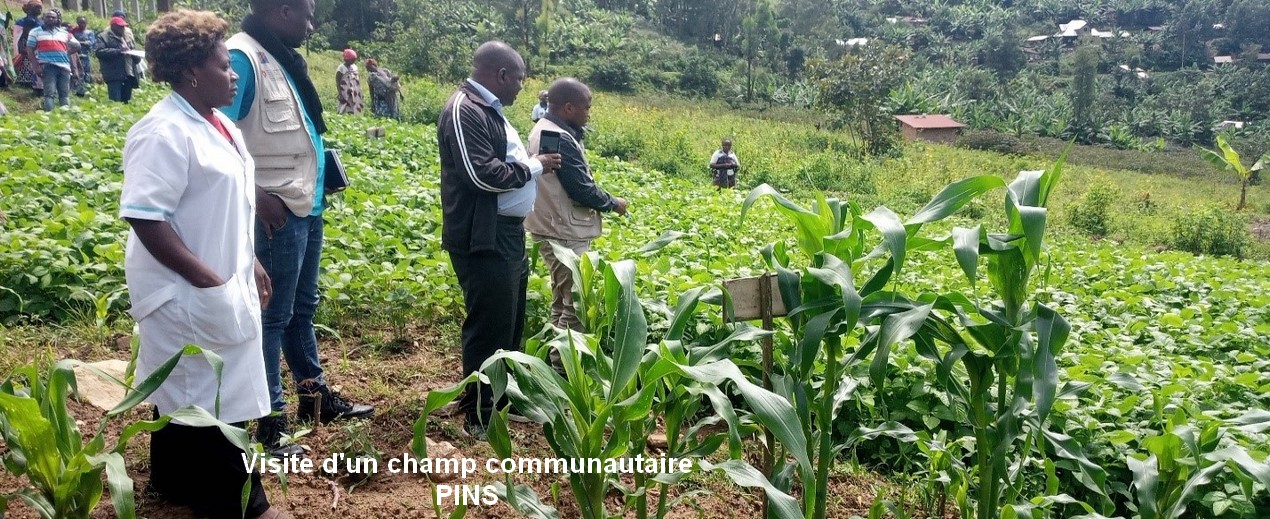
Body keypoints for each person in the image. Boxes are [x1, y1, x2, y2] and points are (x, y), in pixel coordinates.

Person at [120, 9, 291, 519]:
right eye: (224, 65)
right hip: (184, 288)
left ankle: (174, 482)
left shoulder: (220, 124)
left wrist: (250, 261)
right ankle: (242, 505)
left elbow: (228, 209)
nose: (234, 73)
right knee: (215, 395)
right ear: (192, 71)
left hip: (217, 278)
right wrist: (206, 277)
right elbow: (146, 217)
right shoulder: (163, 132)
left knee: (187, 387)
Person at [224, 0, 373, 456]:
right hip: (275, 209)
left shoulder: (281, 57)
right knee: (271, 317)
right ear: (282, 11)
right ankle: (271, 421)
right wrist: (256, 195)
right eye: (306, 16)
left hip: (305, 205)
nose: (311, 26)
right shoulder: (242, 57)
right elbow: (215, 136)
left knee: (301, 308)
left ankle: (314, 397)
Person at [437, 40, 561, 440]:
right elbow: (481, 174)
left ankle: (501, 399)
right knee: (488, 326)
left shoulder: (489, 110)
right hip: (482, 236)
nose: (523, 87)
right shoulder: (464, 109)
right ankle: (480, 412)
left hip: (506, 232)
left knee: (509, 322)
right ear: (502, 75)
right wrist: (534, 167)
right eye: (520, 78)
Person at [525, 78, 627, 333]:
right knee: (576, 306)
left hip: (551, 226)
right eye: (586, 107)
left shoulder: (544, 128)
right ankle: (561, 357)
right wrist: (614, 203)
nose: (588, 113)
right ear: (569, 108)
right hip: (564, 232)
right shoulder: (558, 137)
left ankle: (549, 353)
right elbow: (580, 189)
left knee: (562, 300)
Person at [26, 8, 80, 111]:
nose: (50, 19)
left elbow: (77, 46)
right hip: (47, 66)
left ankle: (65, 115)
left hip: (64, 67)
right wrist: (36, 67)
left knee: (64, 94)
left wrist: (65, 53)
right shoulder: (35, 32)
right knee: (49, 94)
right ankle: (50, 116)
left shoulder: (64, 33)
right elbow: (30, 50)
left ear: (57, 19)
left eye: (53, 17)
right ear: (43, 18)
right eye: (48, 17)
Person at [95, 16, 137, 103]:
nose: (122, 29)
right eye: (120, 27)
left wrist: (135, 55)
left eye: (123, 26)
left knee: (126, 102)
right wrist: (118, 51)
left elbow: (132, 50)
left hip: (127, 73)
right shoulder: (103, 37)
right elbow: (99, 52)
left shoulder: (127, 37)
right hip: (114, 74)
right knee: (115, 102)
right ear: (113, 26)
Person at [14, 1, 43, 91]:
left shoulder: (42, 22)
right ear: (30, 9)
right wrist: (20, 47)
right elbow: (17, 36)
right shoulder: (21, 21)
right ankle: (25, 82)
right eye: (37, 7)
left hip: (38, 46)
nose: (39, 10)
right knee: (25, 63)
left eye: (40, 8)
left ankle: (36, 82)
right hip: (25, 44)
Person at [70, 16, 95, 95]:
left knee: (86, 72)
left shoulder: (89, 32)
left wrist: (79, 42)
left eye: (83, 22)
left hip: (85, 55)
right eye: (80, 22)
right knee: (76, 72)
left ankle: (86, 89)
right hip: (75, 55)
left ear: (86, 23)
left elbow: (91, 43)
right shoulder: (74, 32)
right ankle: (77, 90)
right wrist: (82, 42)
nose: (82, 24)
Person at [335, 48, 362, 114]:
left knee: (354, 109)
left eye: (354, 59)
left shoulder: (355, 67)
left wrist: (359, 91)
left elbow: (357, 79)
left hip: (354, 92)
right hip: (345, 92)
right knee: (342, 109)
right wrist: (340, 94)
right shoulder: (341, 68)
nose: (353, 61)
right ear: (347, 59)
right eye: (352, 59)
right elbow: (338, 82)